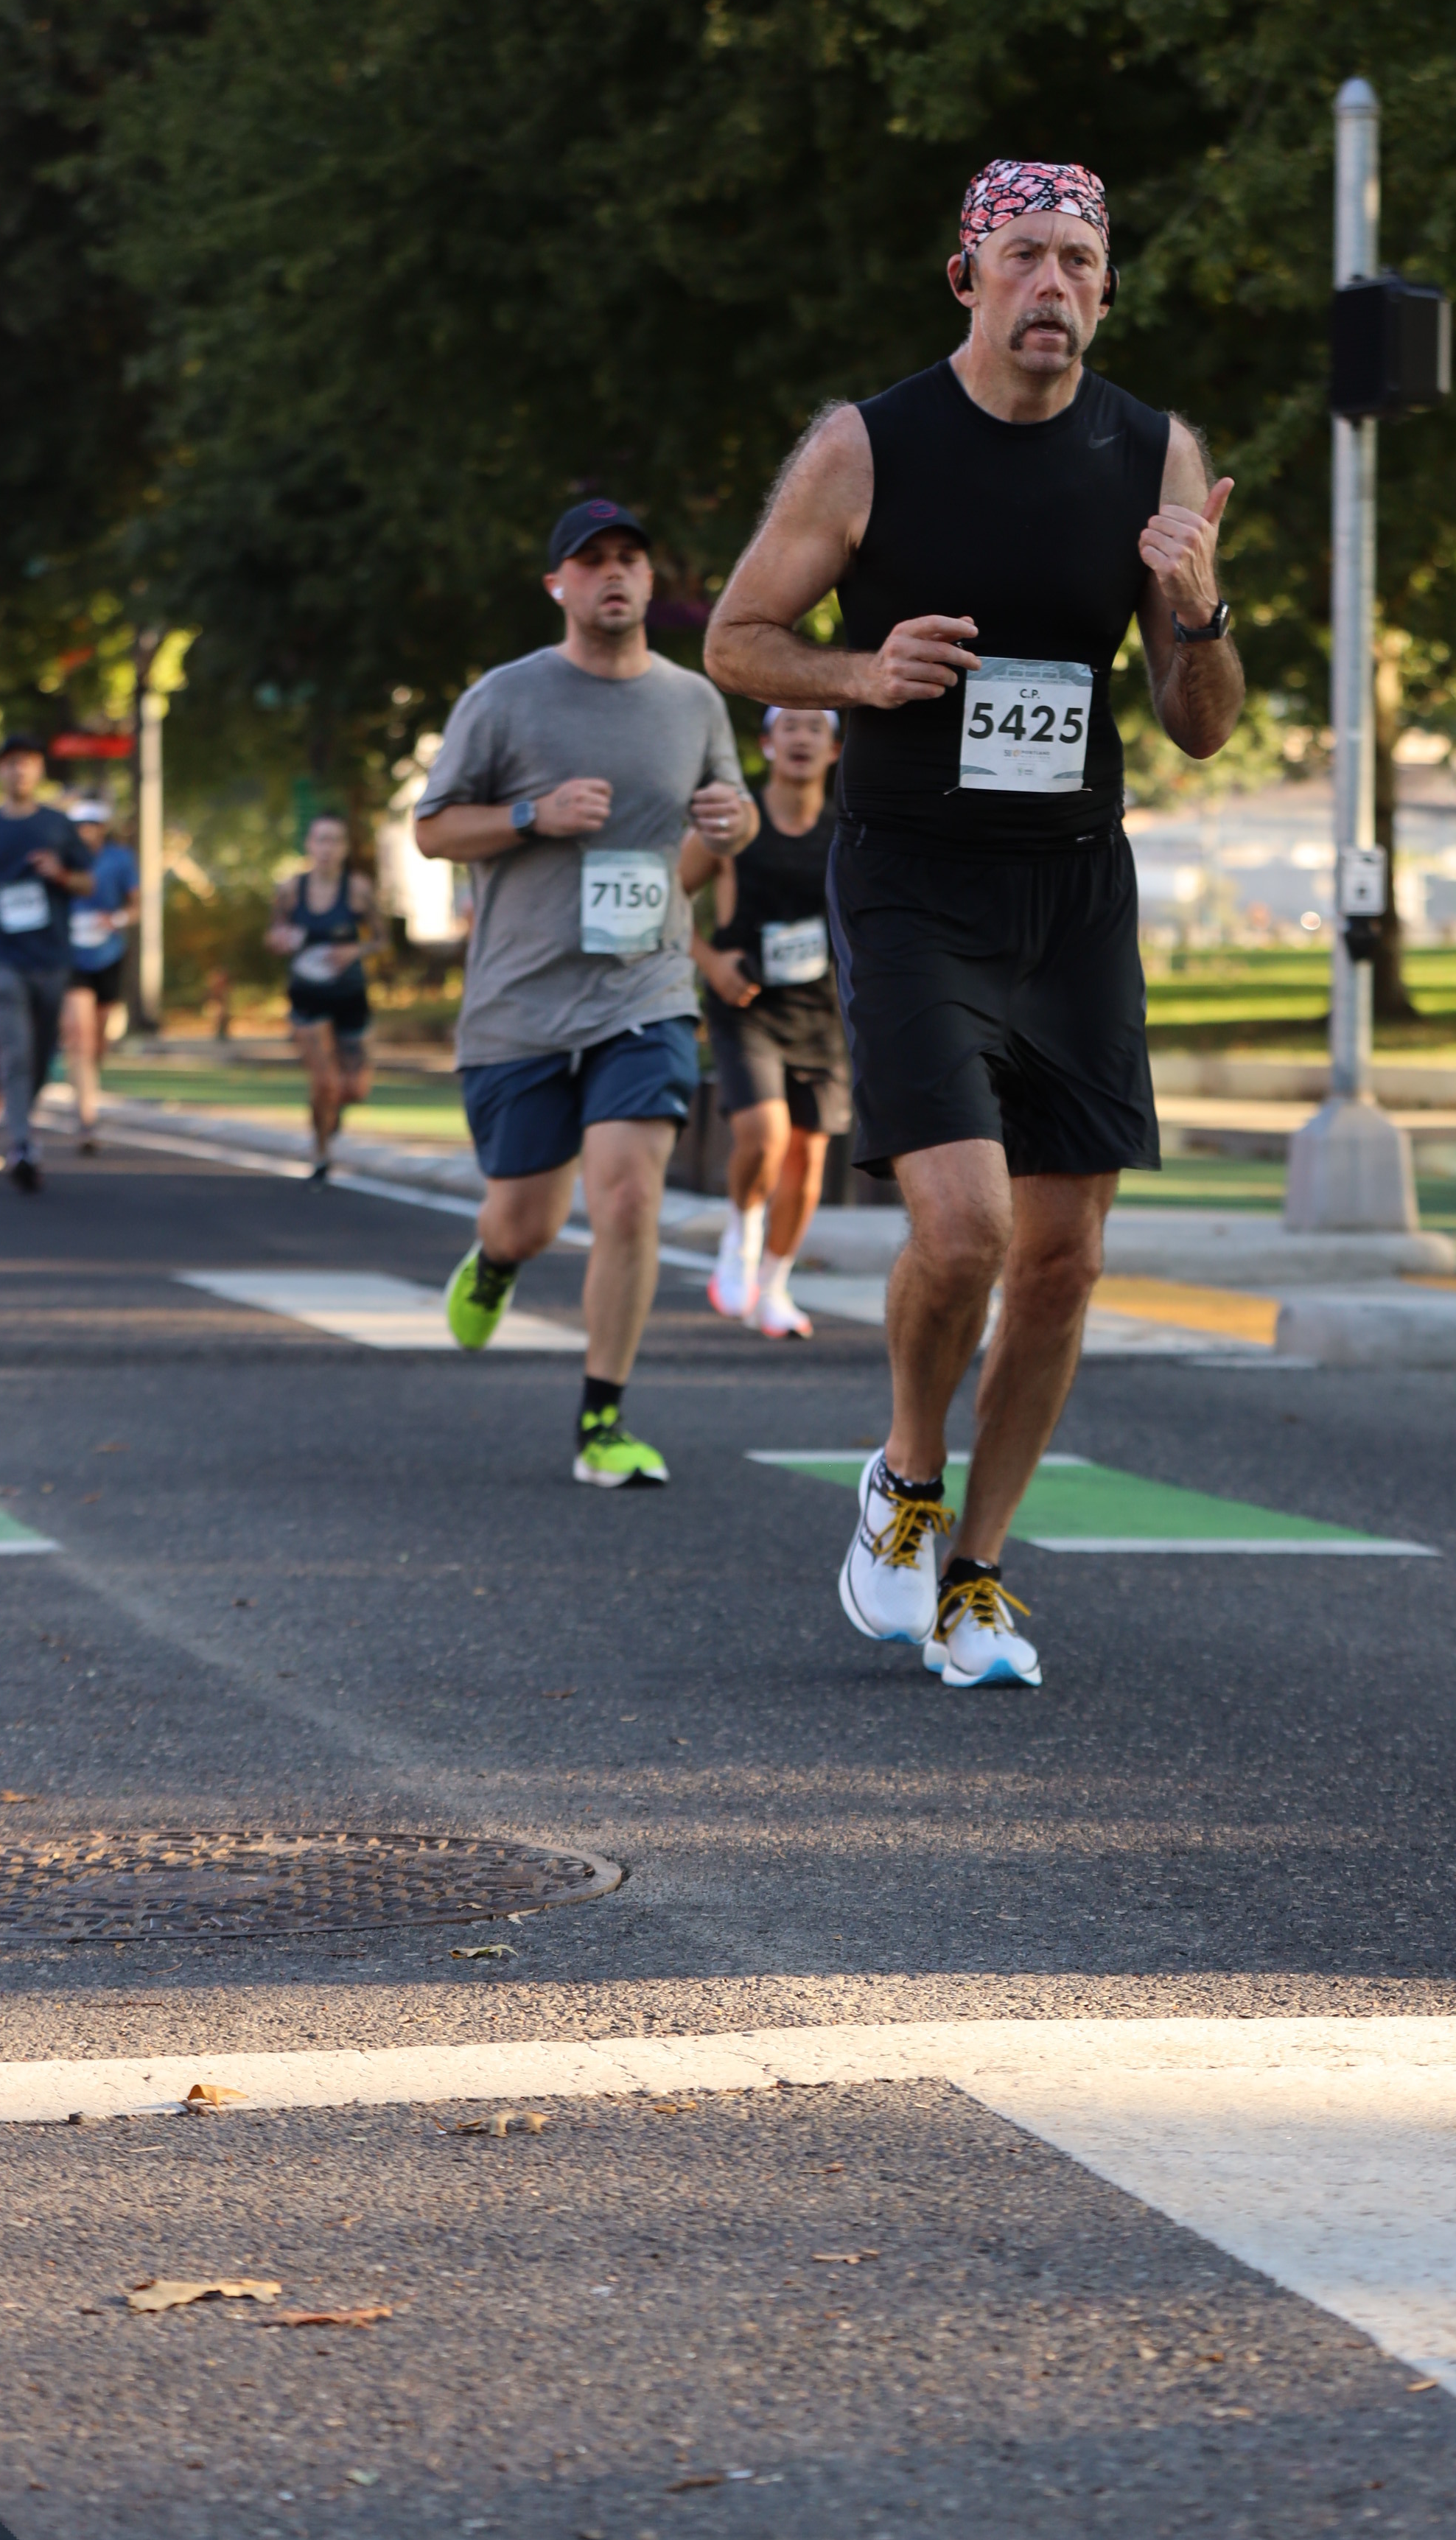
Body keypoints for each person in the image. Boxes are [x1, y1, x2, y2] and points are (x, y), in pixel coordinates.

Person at [705, 157, 1242, 1687]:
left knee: (1064, 1258)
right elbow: (739, 638)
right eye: (1025, 257)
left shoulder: (1154, 451)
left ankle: (978, 1578)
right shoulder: (867, 446)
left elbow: (1202, 722)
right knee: (966, 1227)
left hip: (1073, 889)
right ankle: (904, 1475)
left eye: (1080, 261)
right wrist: (859, 676)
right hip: (912, 876)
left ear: (1107, 291)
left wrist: (1198, 604)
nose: (1052, 286)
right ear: (968, 277)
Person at [413, 500, 756, 1490]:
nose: (614, 573)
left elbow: (727, 825)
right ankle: (496, 1260)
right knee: (524, 1219)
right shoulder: (504, 698)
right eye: (592, 560)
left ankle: (603, 1420)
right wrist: (534, 813)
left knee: (629, 1196)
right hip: (521, 1003)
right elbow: (432, 831)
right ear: (557, 584)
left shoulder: (693, 701)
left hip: (645, 988)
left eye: (630, 559)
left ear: (650, 581)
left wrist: (731, 825)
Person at [696, 703, 851, 1340]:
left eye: (817, 728)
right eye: (790, 726)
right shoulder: (738, 820)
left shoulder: (849, 829)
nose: (802, 738)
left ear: (835, 750)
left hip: (822, 1012)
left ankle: (775, 1287)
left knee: (807, 1163)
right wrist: (711, 963)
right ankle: (740, 1240)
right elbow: (667, 896)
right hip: (746, 1005)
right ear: (766, 743)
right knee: (764, 1136)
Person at [0, 734, 91, 1194]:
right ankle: (23, 1143)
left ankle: (22, 1123)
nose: (19, 770)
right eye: (11, 762)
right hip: (2, 957)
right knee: (13, 1052)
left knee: (40, 1054)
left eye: (28, 762)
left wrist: (60, 873)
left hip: (51, 957)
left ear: (39, 770)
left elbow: (88, 884)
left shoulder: (58, 825)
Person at [265, 812, 379, 1180]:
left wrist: (354, 950)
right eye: (321, 840)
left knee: (354, 1089)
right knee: (325, 1082)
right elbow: (273, 935)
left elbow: (381, 939)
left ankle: (333, 1115)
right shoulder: (290, 890)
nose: (327, 848)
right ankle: (320, 1150)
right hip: (307, 995)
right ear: (309, 845)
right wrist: (280, 940)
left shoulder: (358, 889)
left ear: (345, 847)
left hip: (350, 994)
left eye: (335, 840)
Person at [59, 800, 138, 1152]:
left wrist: (116, 920)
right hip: (70, 956)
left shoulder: (120, 859)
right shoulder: (62, 860)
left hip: (107, 954)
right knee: (80, 1035)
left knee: (99, 1041)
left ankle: (87, 1086)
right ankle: (86, 1119)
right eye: (78, 825)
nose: (84, 831)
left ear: (102, 827)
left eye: (91, 824)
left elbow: (135, 904)